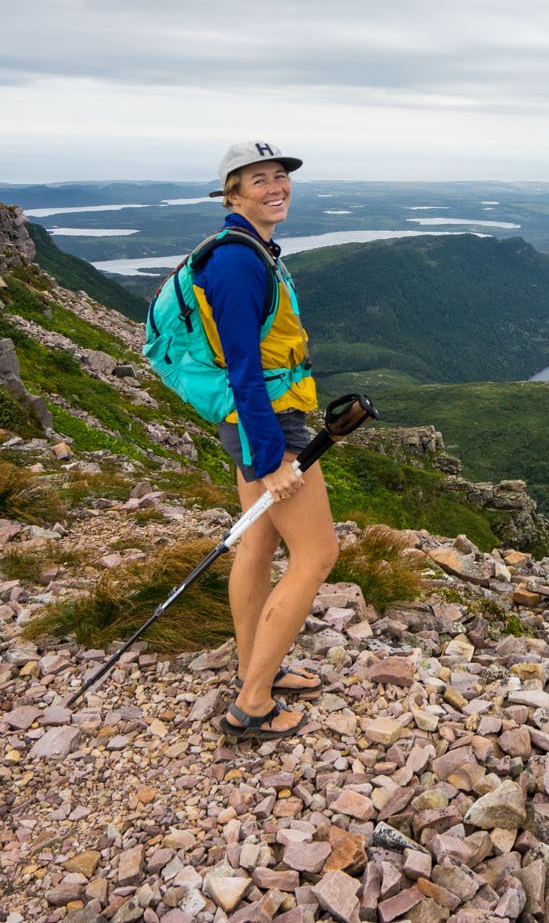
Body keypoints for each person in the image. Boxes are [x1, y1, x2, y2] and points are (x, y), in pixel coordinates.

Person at [194, 140, 337, 741]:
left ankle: (259, 670)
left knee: (255, 548)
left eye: (281, 176)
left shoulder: (252, 251)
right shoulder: (237, 262)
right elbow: (243, 369)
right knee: (317, 553)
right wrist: (271, 456)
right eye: (260, 180)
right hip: (267, 424)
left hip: (254, 421)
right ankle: (252, 703)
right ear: (232, 193)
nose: (275, 187)